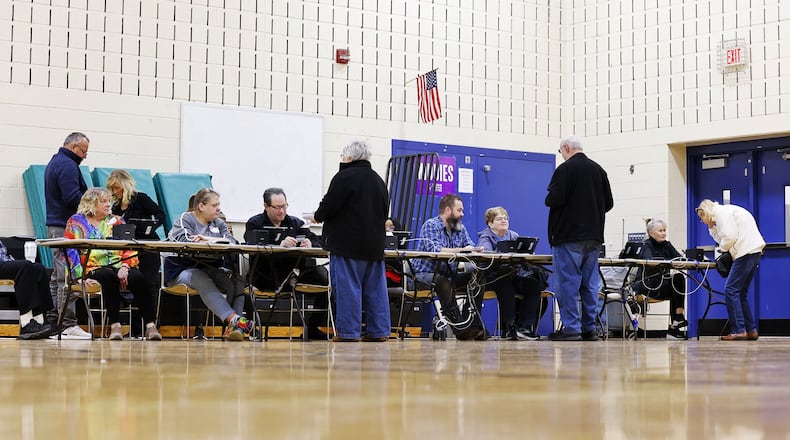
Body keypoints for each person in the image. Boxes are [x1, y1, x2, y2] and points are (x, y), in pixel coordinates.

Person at [313, 140, 390, 342]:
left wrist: (318, 216)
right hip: (374, 246)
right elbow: (385, 212)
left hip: (347, 245)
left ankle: (349, 332)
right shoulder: (378, 180)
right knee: (376, 291)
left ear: (349, 157)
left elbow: (329, 206)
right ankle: (379, 331)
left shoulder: (343, 177)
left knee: (349, 290)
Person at [63, 188, 162, 340]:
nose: (108, 204)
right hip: (92, 268)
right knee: (109, 277)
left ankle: (150, 326)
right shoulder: (75, 222)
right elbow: (70, 253)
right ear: (91, 203)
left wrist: (125, 266)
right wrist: (79, 277)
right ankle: (115, 325)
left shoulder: (117, 221)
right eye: (103, 201)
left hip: (119, 264)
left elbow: (129, 248)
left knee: (138, 278)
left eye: (109, 201)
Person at [545, 135, 614, 341]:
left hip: (568, 236)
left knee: (567, 283)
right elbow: (608, 204)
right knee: (590, 284)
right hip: (594, 236)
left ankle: (571, 329)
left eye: (560, 151)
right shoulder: (599, 170)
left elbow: (552, 199)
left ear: (566, 148)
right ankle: (589, 329)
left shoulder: (564, 170)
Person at [164, 188, 252, 341]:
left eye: (219, 204)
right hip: (181, 270)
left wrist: (207, 239)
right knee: (201, 277)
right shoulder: (185, 219)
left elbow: (232, 242)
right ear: (201, 206)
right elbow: (183, 240)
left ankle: (235, 329)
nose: (218, 208)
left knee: (238, 280)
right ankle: (237, 321)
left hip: (210, 268)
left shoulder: (219, 223)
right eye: (214, 205)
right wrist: (210, 240)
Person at [244, 187, 329, 339]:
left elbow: (317, 240)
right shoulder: (255, 223)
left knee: (323, 278)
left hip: (294, 275)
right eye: (277, 207)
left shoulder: (296, 223)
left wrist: (310, 243)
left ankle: (312, 327)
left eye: (284, 206)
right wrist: (279, 245)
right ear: (266, 206)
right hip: (265, 276)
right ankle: (253, 328)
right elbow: (250, 245)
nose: (282, 211)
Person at [411, 194, 487, 341]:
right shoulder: (431, 225)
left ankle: (472, 324)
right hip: (423, 275)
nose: (462, 214)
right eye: (459, 210)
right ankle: (460, 330)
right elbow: (435, 250)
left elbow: (469, 246)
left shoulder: (460, 228)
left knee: (479, 275)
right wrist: (463, 250)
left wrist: (476, 250)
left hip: (449, 275)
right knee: (441, 281)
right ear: (447, 210)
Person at [44, 132, 93, 339]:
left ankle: (57, 320)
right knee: (67, 275)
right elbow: (72, 197)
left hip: (55, 225)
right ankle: (68, 323)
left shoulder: (55, 161)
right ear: (74, 148)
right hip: (65, 227)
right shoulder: (67, 165)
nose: (85, 156)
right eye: (84, 151)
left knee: (57, 277)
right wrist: (92, 207)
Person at [695, 199, 765, 341]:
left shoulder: (721, 212)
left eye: (701, 218)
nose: (701, 221)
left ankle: (738, 330)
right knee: (740, 293)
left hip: (745, 251)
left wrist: (722, 249)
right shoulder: (724, 212)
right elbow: (722, 237)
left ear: (704, 213)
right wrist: (712, 227)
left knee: (731, 290)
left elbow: (729, 237)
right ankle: (751, 330)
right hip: (753, 251)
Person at [477, 206, 547, 341]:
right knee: (505, 283)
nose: (504, 221)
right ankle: (509, 327)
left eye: (505, 218)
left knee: (533, 285)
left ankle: (524, 328)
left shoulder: (513, 236)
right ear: (490, 223)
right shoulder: (486, 237)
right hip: (492, 277)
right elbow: (485, 254)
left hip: (513, 274)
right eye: (499, 219)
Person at [106, 169, 166, 305]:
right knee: (132, 283)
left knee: (149, 282)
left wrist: (150, 228)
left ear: (125, 185)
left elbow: (160, 214)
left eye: (116, 187)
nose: (114, 191)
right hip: (128, 249)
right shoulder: (115, 207)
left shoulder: (141, 198)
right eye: (112, 188)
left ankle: (151, 321)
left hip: (148, 246)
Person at [630, 218, 689, 339]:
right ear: (651, 233)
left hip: (662, 285)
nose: (664, 233)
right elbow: (650, 261)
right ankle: (676, 323)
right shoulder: (646, 245)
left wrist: (687, 259)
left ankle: (677, 320)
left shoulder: (667, 245)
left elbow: (679, 259)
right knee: (675, 287)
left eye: (664, 230)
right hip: (648, 286)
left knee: (678, 278)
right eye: (660, 231)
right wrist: (667, 262)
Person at [0, 241, 56, 339]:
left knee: (38, 268)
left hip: (5, 261)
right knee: (25, 266)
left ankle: (40, 321)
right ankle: (26, 323)